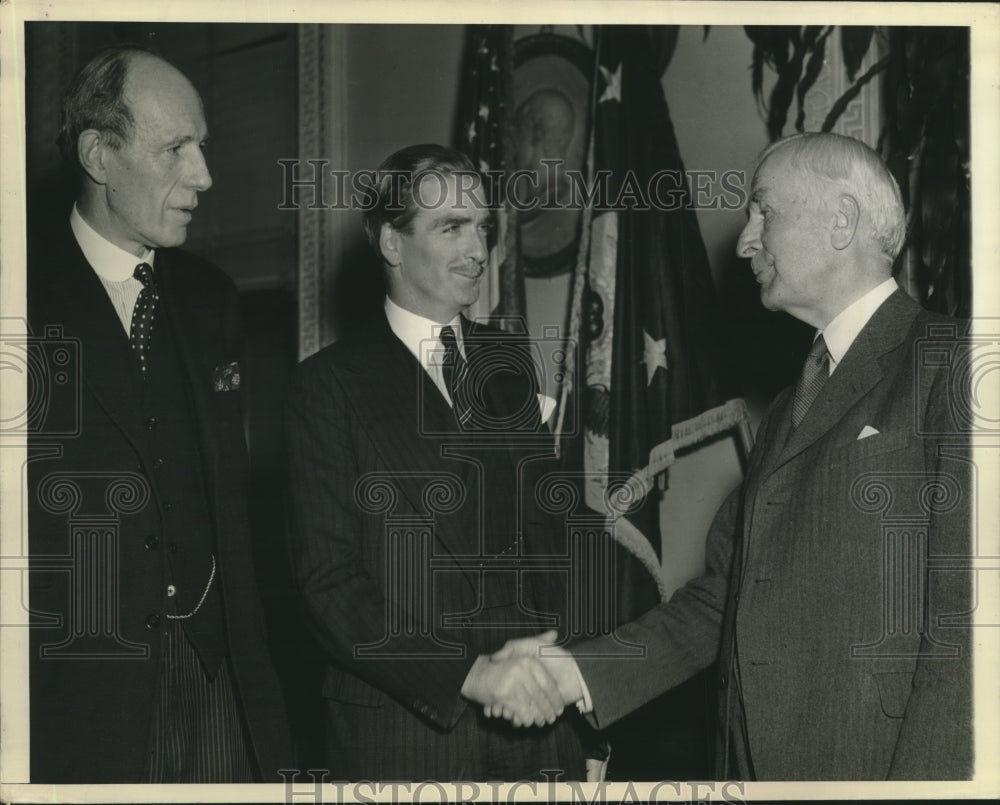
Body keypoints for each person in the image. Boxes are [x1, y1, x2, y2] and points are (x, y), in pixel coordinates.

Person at [493, 132, 973, 780]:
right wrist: (573, 672)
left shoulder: (954, 364)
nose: (746, 238)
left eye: (763, 211)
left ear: (842, 220)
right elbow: (726, 597)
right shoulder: (784, 408)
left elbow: (970, 630)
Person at [27, 45, 291, 783]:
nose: (204, 175)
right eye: (177, 148)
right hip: (80, 697)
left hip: (216, 682)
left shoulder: (212, 299)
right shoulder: (20, 294)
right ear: (100, 154)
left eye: (202, 146)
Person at [284, 144, 586, 781]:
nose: (478, 249)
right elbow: (328, 586)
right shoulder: (328, 387)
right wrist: (470, 675)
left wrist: (582, 683)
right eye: (452, 227)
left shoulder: (507, 363)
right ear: (393, 244)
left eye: (482, 228)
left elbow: (550, 536)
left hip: (538, 720)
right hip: (408, 730)